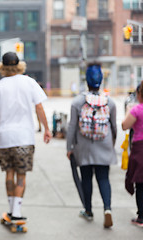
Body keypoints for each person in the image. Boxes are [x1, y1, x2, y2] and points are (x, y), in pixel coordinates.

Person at [0, 52, 52, 223]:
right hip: (24, 137)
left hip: (4, 138)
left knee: (9, 172)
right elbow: (39, 107)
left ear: (2, 67)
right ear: (19, 65)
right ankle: (16, 212)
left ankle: (10, 210)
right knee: (21, 175)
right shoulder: (29, 82)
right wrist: (46, 128)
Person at [66, 63, 117, 228]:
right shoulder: (109, 102)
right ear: (101, 80)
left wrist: (69, 148)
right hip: (104, 144)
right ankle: (107, 209)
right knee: (104, 178)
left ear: (86, 81)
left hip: (84, 147)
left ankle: (88, 211)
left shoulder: (78, 101)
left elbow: (72, 127)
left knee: (86, 178)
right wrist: (112, 143)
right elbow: (114, 127)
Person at [122, 81, 143, 227]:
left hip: (140, 148)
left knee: (140, 182)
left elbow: (124, 125)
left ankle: (141, 217)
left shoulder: (137, 110)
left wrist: (128, 111)